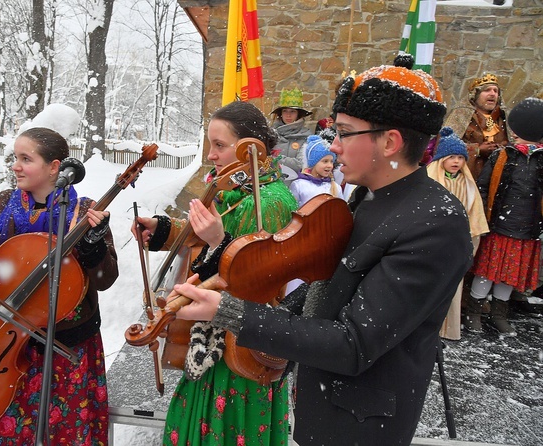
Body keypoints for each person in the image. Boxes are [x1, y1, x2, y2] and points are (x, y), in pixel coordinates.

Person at [171, 56, 474, 445]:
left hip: (360, 425)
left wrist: (232, 313)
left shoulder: (436, 222)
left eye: (344, 133)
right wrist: (252, 299)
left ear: (390, 141)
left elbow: (353, 343)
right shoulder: (369, 197)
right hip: (324, 410)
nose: (334, 147)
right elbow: (323, 288)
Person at [0, 127, 118, 445]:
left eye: (25, 159)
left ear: (55, 167)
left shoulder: (84, 212)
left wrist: (93, 247)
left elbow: (105, 278)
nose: (15, 165)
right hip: (8, 346)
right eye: (15, 157)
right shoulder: (3, 206)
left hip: (68, 347)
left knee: (65, 429)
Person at [133, 101, 298, 446]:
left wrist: (218, 241)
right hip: (210, 337)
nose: (211, 155)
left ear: (250, 148)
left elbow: (254, 275)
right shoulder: (235, 190)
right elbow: (204, 233)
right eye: (211, 144)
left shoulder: (271, 201)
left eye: (219, 145)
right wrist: (162, 230)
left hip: (241, 343)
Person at [466, 97, 543, 336]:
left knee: (509, 275)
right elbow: (483, 186)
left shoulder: (541, 160)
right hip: (498, 226)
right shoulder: (503, 156)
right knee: (486, 273)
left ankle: (500, 313)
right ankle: (474, 312)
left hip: (526, 228)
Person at [426, 127, 489, 340]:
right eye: (451, 156)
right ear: (441, 158)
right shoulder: (430, 181)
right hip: (433, 243)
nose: (456, 162)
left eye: (461, 158)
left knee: (451, 286)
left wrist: (468, 239)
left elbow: (475, 215)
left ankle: (447, 328)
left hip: (455, 243)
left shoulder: (467, 184)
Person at [444, 73, 509, 179]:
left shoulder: (503, 118)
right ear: (476, 94)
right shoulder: (460, 114)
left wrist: (500, 149)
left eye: (495, 91)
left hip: (496, 177)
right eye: (487, 90)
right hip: (466, 177)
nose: (492, 94)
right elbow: (445, 145)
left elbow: (513, 145)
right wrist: (477, 150)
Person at [270, 87, 313, 178]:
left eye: (292, 111)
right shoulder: (271, 134)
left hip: (295, 185)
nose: (288, 115)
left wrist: (275, 159)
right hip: (273, 185)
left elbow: (301, 164)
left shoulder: (306, 137)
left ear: (298, 114)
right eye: (285, 111)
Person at [290, 134, 344, 206]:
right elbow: (293, 211)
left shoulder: (335, 187)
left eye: (331, 161)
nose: (330, 165)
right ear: (313, 163)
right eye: (325, 161)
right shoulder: (299, 185)